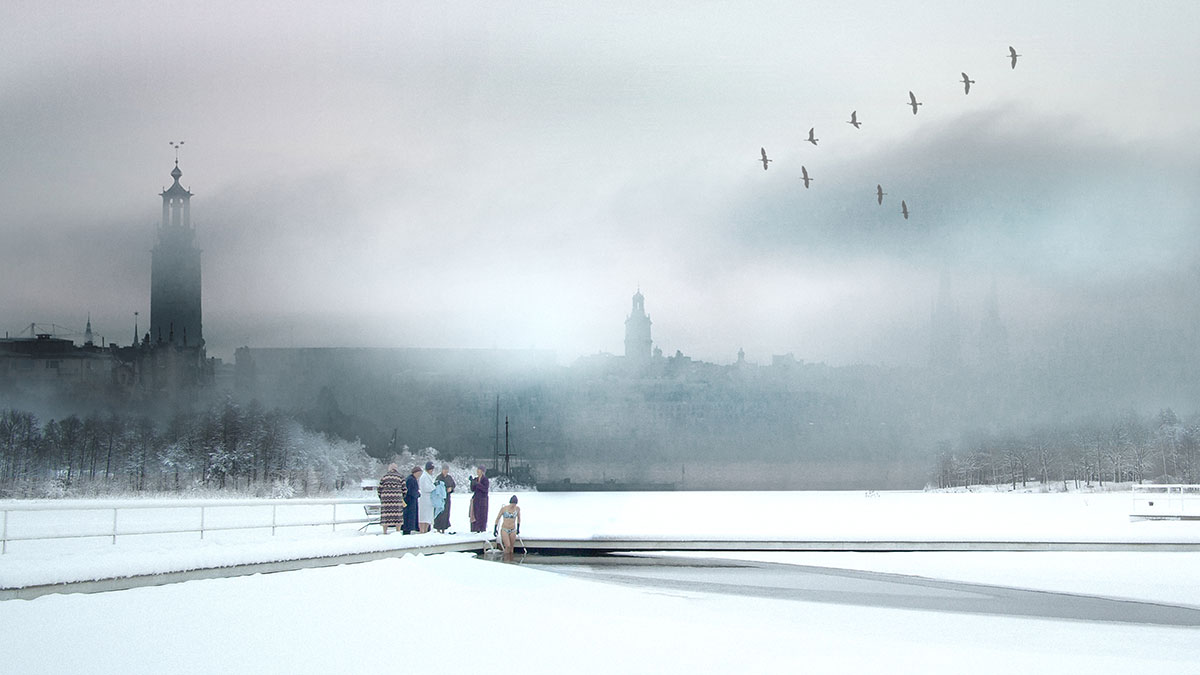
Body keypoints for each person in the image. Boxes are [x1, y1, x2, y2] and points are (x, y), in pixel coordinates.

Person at [377, 463, 406, 535]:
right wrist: (401, 497)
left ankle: (385, 532)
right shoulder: (400, 477)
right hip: (397, 499)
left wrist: (382, 497)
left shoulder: (384, 477)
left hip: (386, 500)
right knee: (398, 516)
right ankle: (398, 531)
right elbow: (404, 490)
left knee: (385, 516)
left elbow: (379, 489)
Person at [492, 495, 522, 562]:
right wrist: (495, 529)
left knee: (511, 547)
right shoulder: (504, 509)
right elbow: (498, 518)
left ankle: (511, 560)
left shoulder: (517, 509)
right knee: (507, 546)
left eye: (515, 504)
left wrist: (518, 528)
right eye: (512, 504)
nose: (513, 505)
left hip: (513, 529)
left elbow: (519, 519)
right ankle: (505, 560)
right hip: (505, 529)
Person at [433, 464, 455, 533]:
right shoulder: (439, 478)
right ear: (442, 470)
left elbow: (453, 485)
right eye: (444, 469)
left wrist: (451, 489)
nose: (446, 471)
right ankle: (438, 528)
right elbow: (437, 487)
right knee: (440, 513)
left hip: (447, 498)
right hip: (440, 498)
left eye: (447, 469)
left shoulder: (449, 478)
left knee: (446, 513)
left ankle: (444, 528)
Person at [469, 465, 489, 533]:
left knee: (482, 515)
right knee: (475, 514)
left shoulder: (485, 480)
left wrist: (477, 484)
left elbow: (485, 489)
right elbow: (472, 489)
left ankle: (481, 529)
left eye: (479, 470)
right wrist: (472, 482)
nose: (477, 471)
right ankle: (475, 529)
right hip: (476, 499)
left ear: (482, 471)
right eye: (477, 469)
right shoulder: (476, 479)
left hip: (483, 500)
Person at [418, 461, 436, 533]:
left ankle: (426, 530)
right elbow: (426, 488)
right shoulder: (424, 477)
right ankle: (422, 530)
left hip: (429, 499)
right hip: (425, 498)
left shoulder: (428, 476)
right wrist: (434, 486)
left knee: (428, 516)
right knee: (423, 516)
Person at [403, 466, 422, 535]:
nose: (419, 475)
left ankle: (409, 529)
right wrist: (417, 494)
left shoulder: (412, 479)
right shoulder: (411, 479)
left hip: (411, 501)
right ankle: (407, 531)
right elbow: (410, 491)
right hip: (409, 501)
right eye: (419, 473)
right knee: (409, 517)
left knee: (410, 517)